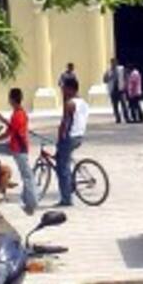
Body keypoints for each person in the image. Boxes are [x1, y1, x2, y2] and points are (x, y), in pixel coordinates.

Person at [0, 87, 38, 215]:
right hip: (16, 147)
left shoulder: (18, 114)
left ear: (11, 99)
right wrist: (2, 119)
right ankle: (28, 201)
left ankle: (31, 204)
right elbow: (13, 127)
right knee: (27, 175)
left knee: (27, 176)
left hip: (19, 149)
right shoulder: (20, 113)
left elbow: (9, 132)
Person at [54, 77, 89, 207]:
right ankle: (70, 185)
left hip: (69, 137)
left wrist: (59, 139)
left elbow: (64, 123)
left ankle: (66, 198)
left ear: (70, 89)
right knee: (65, 161)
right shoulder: (83, 103)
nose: (62, 90)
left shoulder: (69, 103)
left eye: (63, 88)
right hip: (79, 136)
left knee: (62, 167)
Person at [104, 58, 130, 124]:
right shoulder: (109, 71)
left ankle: (127, 118)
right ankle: (118, 118)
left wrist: (126, 85)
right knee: (115, 106)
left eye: (114, 63)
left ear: (117, 63)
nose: (113, 64)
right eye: (112, 63)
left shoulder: (121, 69)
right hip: (113, 90)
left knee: (124, 105)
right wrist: (109, 77)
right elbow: (104, 80)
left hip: (121, 90)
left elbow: (126, 76)